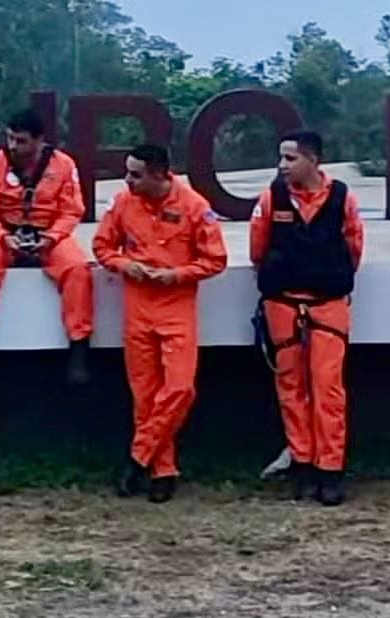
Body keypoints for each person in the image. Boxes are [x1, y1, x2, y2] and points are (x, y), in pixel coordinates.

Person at [93, 144, 227, 503]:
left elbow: (216, 260)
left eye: (135, 174)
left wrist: (177, 274)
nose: (127, 180)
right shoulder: (122, 203)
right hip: (137, 307)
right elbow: (102, 247)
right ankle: (162, 470)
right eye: (127, 172)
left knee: (180, 389)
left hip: (176, 306)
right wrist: (126, 265)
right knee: (146, 397)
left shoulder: (195, 206)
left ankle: (137, 458)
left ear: (159, 174)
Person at [250, 130, 363, 506]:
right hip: (282, 303)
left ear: (313, 160)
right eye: (280, 158)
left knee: (328, 389)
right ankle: (302, 465)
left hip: (328, 304)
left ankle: (330, 469)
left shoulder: (343, 198)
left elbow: (353, 245)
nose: (282, 166)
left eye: (290, 158)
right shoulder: (271, 198)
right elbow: (258, 248)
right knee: (291, 388)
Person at [0, 108, 93, 386]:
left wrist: (52, 237)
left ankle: (78, 351)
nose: (14, 146)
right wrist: (3, 237)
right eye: (11, 138)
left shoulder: (63, 166)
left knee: (77, 269)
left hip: (49, 235)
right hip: (4, 234)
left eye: (22, 141)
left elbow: (72, 211)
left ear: (40, 140)